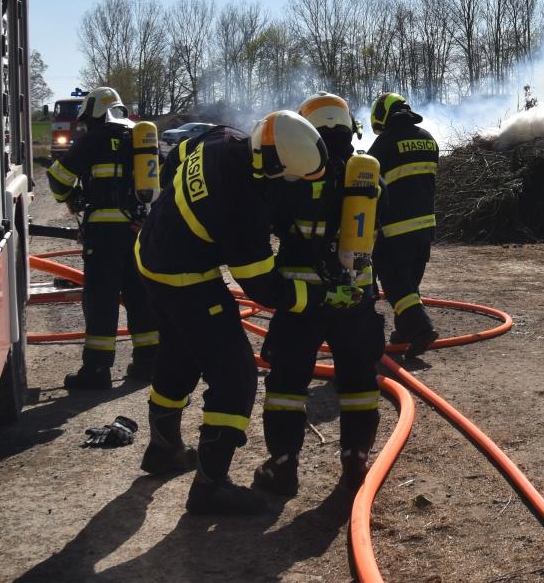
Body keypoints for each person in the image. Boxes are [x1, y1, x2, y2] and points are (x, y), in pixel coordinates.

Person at [134, 110, 360, 514]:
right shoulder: (240, 206)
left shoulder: (224, 137)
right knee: (235, 375)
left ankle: (163, 448)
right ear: (272, 165)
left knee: (179, 352)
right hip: (185, 276)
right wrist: (319, 298)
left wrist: (175, 205)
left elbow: (176, 158)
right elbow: (263, 286)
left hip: (150, 256)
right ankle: (210, 488)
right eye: (288, 178)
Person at [253, 93, 385, 498]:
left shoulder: (294, 173)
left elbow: (266, 220)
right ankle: (356, 461)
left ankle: (283, 468)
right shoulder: (367, 175)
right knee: (360, 382)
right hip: (355, 299)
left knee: (287, 384)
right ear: (349, 126)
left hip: (300, 300)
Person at [44, 86, 159, 389]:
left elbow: (57, 181)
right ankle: (148, 362)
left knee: (101, 300)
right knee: (140, 297)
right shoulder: (139, 137)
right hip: (137, 232)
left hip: (104, 235)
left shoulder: (92, 139)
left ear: (93, 112)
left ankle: (96, 371)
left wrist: (74, 196)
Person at [367, 92, 440, 355]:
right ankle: (405, 330)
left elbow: (368, 180)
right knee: (409, 280)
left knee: (396, 283)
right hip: (425, 226)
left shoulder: (385, 142)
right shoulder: (428, 139)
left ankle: (421, 329)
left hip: (395, 227)